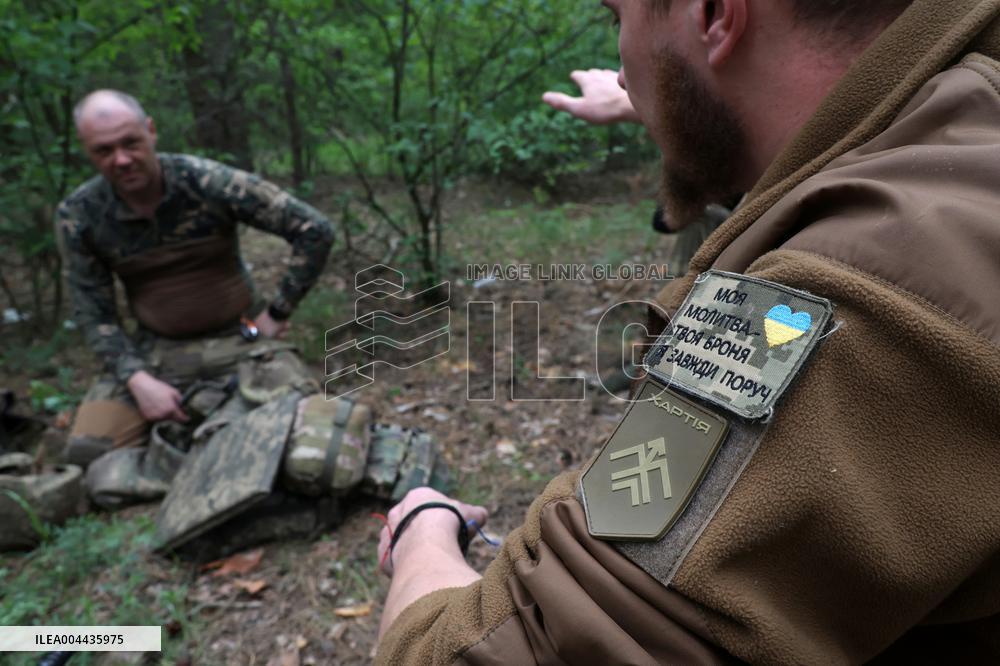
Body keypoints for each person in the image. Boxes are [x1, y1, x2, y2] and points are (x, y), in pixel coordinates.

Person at [374, 1, 1000, 663]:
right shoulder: (958, 134)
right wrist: (674, 87)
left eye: (617, 18)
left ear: (715, 14)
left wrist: (423, 533)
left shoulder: (862, 287)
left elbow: (511, 650)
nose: (622, 67)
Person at [57, 89, 334, 471]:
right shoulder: (81, 214)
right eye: (104, 151)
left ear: (151, 131)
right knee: (87, 454)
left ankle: (214, 443)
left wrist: (278, 311)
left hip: (241, 340)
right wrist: (137, 379)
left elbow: (314, 229)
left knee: (307, 447)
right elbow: (94, 312)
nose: (121, 160)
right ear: (87, 151)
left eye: (131, 143)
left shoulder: (207, 181)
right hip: (155, 353)